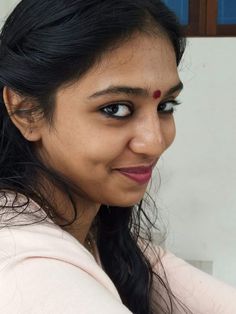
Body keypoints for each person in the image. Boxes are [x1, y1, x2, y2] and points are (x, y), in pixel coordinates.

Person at [0, 0, 235, 313]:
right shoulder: (26, 268)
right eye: (116, 109)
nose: (154, 142)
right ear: (26, 111)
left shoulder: (99, 234)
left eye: (165, 106)